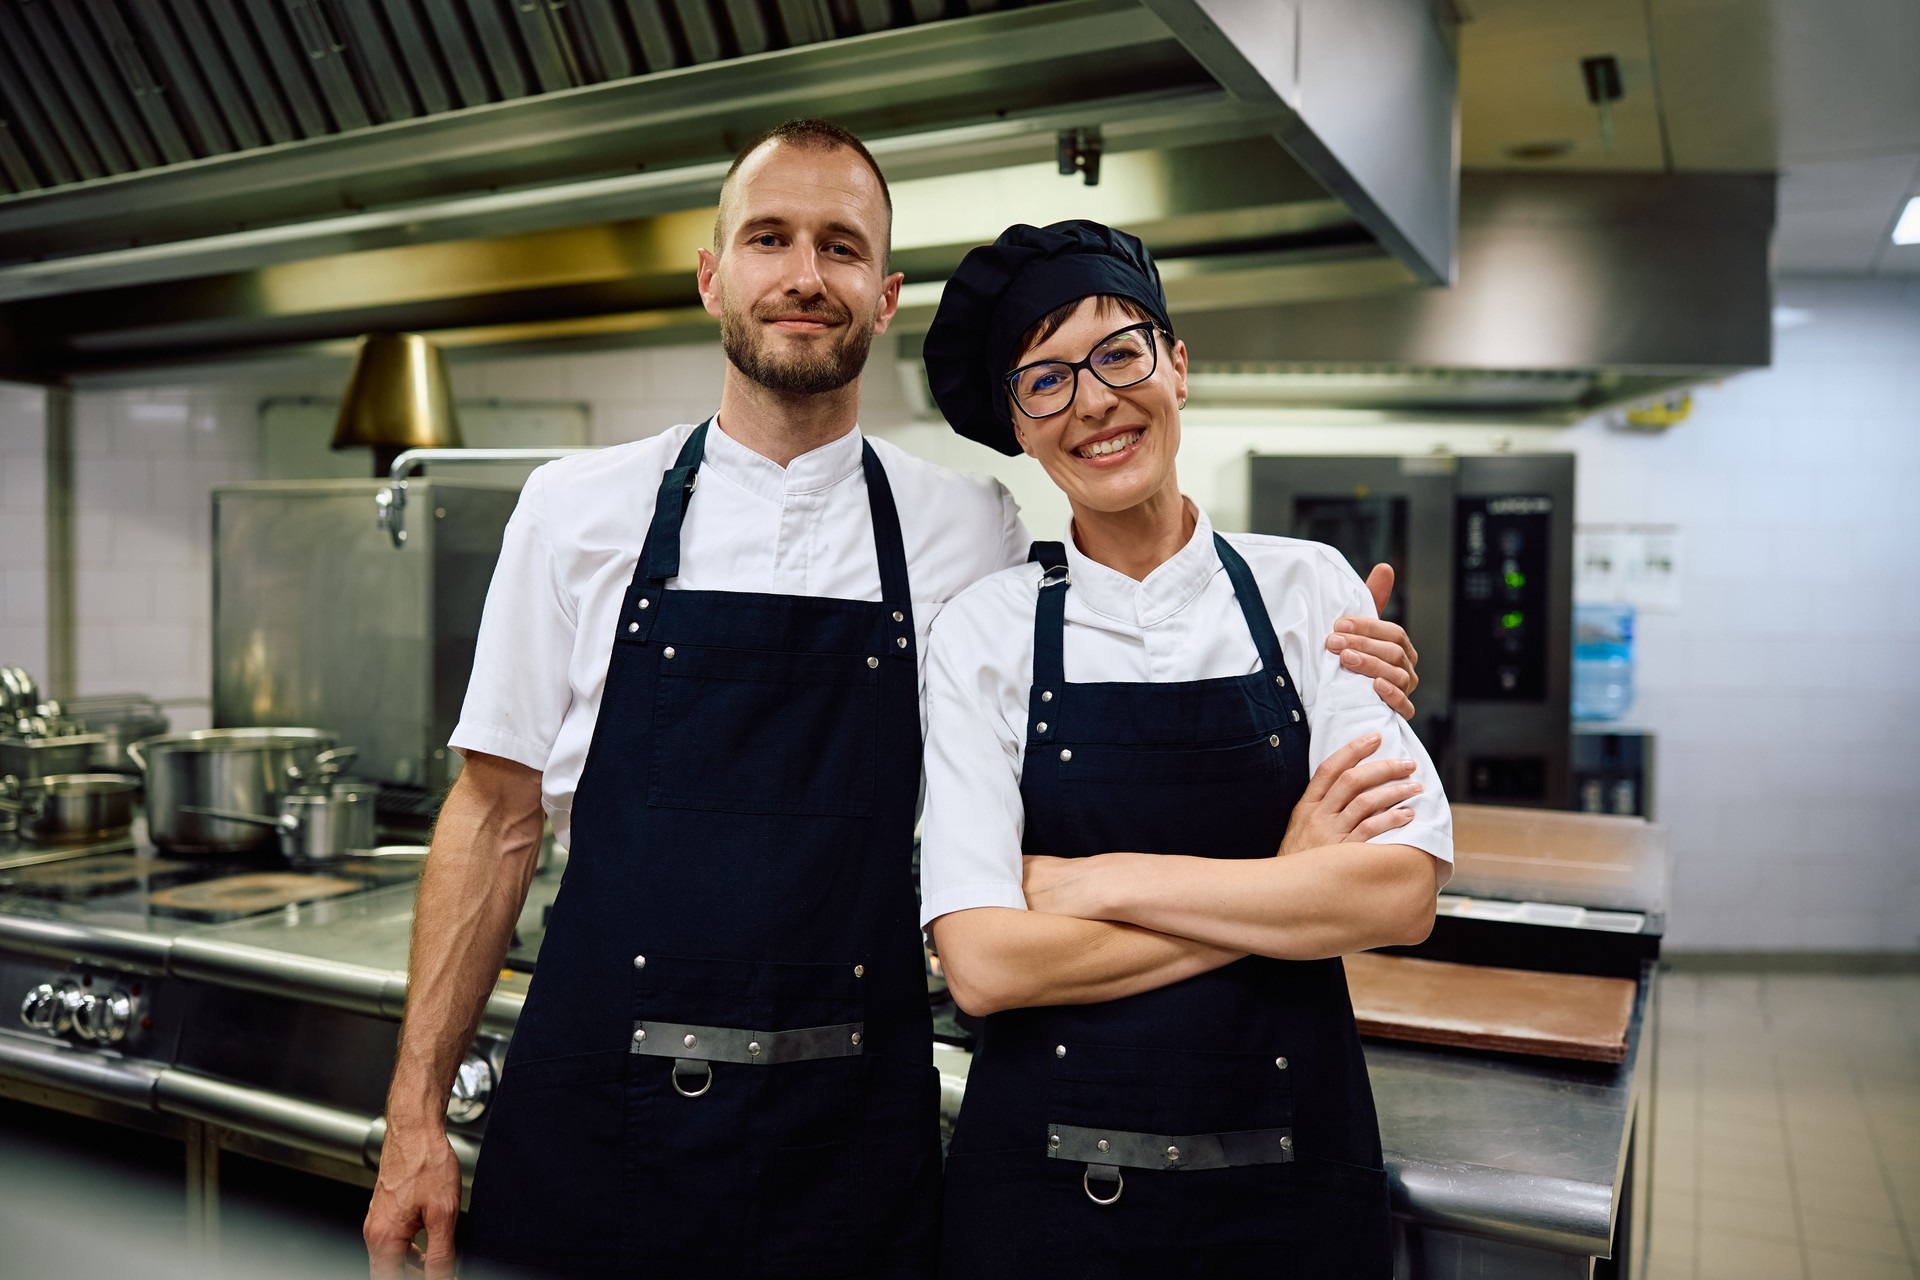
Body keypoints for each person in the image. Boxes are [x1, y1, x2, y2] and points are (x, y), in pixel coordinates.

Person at [361, 125, 1426, 1279]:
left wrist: (1339, 654)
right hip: (593, 1122)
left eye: (842, 246)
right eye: (769, 238)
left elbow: (1127, 640)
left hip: (848, 1143)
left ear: (885, 295)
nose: (805, 275)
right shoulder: (573, 508)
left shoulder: (966, 530)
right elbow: (493, 813)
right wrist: (413, 1116)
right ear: (714, 273)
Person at [916, 220, 1454, 1277]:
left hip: (1290, 1189)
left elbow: (1396, 895)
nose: (1095, 401)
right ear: (1022, 428)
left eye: (1120, 352)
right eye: (1046, 379)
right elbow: (983, 963)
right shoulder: (984, 625)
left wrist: (1091, 882)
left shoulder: (1313, 590)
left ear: (1178, 366)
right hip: (1045, 1201)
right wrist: (1288, 887)